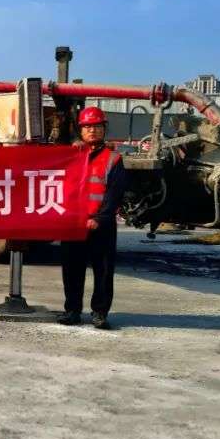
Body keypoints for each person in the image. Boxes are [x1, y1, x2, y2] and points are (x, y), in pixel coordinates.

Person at [57, 106, 128, 330]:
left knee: (103, 271)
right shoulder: (71, 155)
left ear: (104, 129)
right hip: (74, 224)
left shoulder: (113, 159)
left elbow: (114, 193)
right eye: (87, 127)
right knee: (72, 269)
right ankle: (72, 310)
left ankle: (99, 312)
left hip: (101, 225)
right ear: (80, 130)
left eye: (97, 126)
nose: (92, 131)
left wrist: (99, 218)